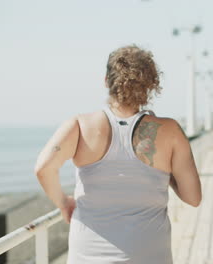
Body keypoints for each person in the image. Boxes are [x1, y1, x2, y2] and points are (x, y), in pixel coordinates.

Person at [34, 45, 202, 264]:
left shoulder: (80, 125)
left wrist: (64, 203)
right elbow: (193, 198)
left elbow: (43, 168)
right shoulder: (170, 131)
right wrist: (166, 172)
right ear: (150, 85)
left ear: (106, 81)